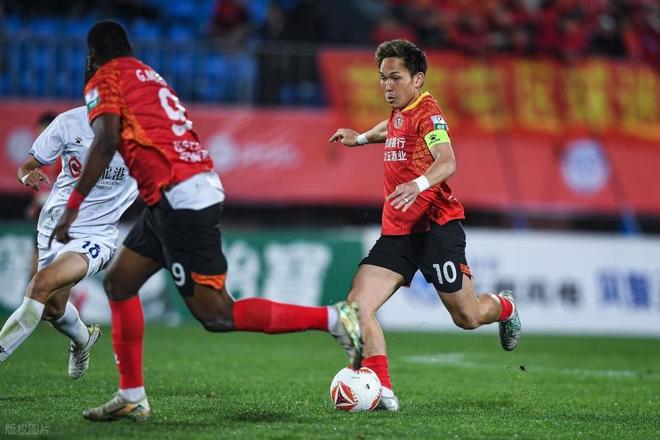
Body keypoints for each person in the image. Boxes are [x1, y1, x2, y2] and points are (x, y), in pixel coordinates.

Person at [50, 20, 361, 422]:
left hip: (180, 198)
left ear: (93, 55)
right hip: (175, 194)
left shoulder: (105, 78)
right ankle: (131, 396)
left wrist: (73, 205)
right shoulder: (148, 76)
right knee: (120, 283)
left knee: (217, 314)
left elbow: (106, 139)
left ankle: (335, 319)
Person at [329, 39, 521, 411]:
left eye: (395, 78)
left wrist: (417, 185)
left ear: (417, 79)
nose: (387, 86)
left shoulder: (428, 113)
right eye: (383, 78)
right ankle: (382, 390)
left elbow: (447, 161)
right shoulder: (400, 111)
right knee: (357, 307)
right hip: (399, 231)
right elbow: (392, 129)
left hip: (436, 227)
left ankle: (504, 307)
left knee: (467, 317)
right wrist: (361, 138)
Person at [0, 104, 139, 380]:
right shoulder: (69, 122)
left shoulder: (141, 135)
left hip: (96, 235)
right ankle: (83, 338)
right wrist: (27, 174)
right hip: (54, 227)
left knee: (41, 284)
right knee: (52, 309)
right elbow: (27, 166)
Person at [25, 112, 58, 280]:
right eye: (39, 131)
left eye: (44, 131)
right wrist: (34, 205)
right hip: (43, 221)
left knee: (55, 273)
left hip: (60, 218)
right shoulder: (39, 158)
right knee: (34, 270)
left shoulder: (65, 157)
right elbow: (39, 188)